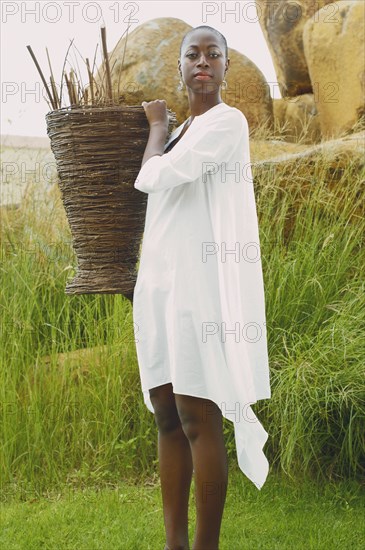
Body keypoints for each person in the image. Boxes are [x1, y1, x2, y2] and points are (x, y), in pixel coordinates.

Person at [132, 25, 271, 550]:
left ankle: (205, 547)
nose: (203, 60)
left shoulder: (225, 123)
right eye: (193, 54)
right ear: (181, 68)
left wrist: (155, 127)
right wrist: (168, 130)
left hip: (199, 287)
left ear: (226, 68)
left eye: (214, 53)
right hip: (160, 284)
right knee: (166, 413)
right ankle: (174, 543)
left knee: (197, 413)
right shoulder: (183, 131)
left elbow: (152, 178)